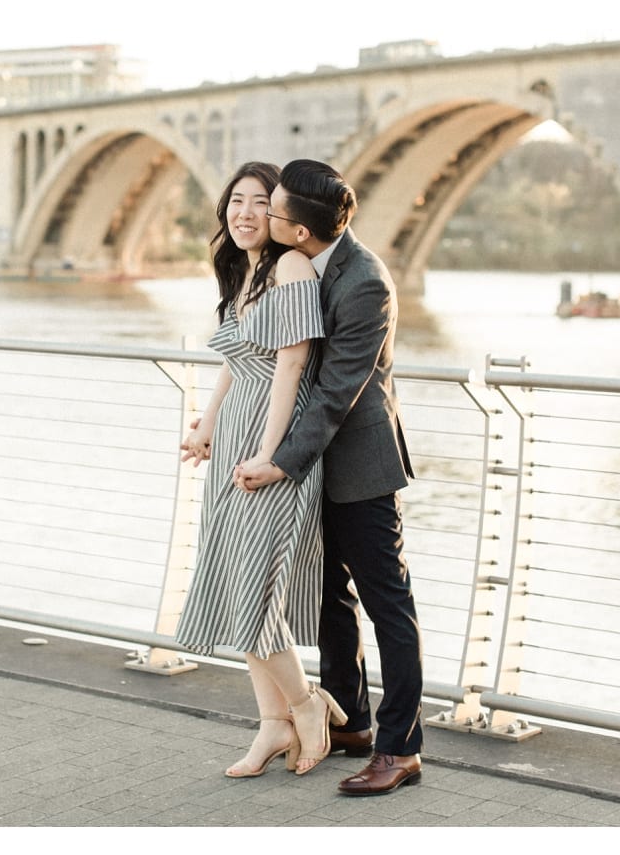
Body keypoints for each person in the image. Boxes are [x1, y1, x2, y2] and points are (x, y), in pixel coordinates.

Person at [234, 158, 422, 796]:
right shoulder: (303, 263)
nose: (264, 216)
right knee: (329, 601)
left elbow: (338, 389)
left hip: (362, 468)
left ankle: (401, 749)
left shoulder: (364, 280)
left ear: (303, 233)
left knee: (388, 608)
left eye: (275, 211)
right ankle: (352, 721)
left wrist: (278, 459)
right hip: (318, 469)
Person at [174, 160, 348, 778]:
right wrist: (207, 424)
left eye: (258, 202)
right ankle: (271, 724)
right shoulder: (245, 273)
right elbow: (235, 360)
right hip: (239, 433)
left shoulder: (291, 267)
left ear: (278, 213)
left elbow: (292, 366)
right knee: (231, 580)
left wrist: (273, 456)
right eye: (235, 201)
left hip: (275, 440)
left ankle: (306, 707)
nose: (244, 213)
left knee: (254, 592)